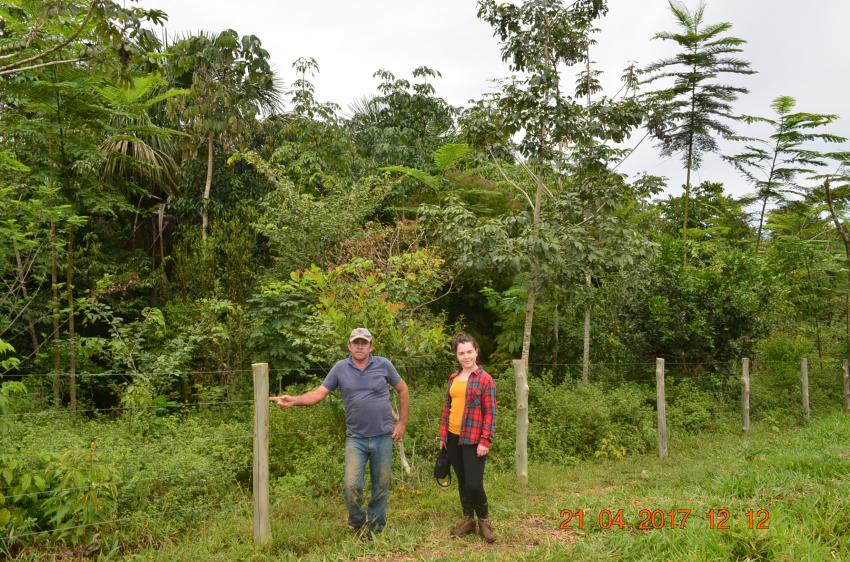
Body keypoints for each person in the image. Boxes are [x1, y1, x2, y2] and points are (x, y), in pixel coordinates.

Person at [270, 327, 409, 537]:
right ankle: (357, 523)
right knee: (352, 486)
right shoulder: (339, 368)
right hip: (356, 439)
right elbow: (319, 393)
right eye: (356, 342)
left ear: (371, 346)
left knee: (381, 485)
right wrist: (295, 400)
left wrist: (402, 423)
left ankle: (376, 529)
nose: (360, 346)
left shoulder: (384, 364)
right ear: (349, 346)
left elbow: (403, 389)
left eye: (364, 342)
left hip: (383, 436)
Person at [439, 332, 496, 543]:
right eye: (461, 353)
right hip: (453, 437)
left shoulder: (485, 380)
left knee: (474, 483)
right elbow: (448, 407)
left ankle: (484, 520)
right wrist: (443, 435)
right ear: (456, 355)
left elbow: (490, 413)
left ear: (476, 351)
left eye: (469, 352)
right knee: (462, 481)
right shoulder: (453, 378)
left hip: (474, 439)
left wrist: (485, 440)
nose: (466, 356)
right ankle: (468, 520)